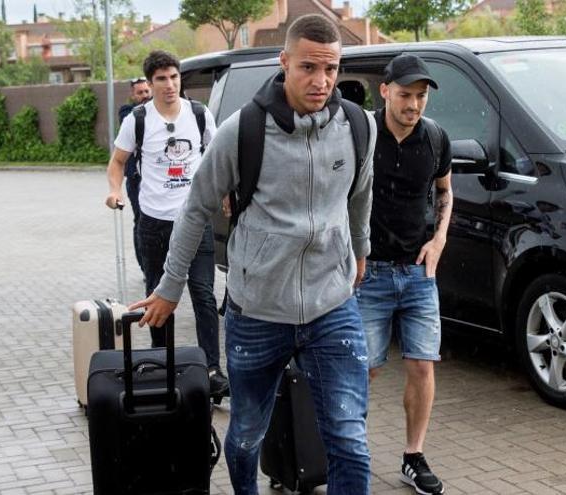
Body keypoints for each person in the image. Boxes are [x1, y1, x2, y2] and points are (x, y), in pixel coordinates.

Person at [130, 15, 376, 495]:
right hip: (257, 311)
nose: (322, 81)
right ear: (284, 62)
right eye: (308, 67)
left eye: (331, 69)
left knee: (349, 438)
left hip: (332, 306)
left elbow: (361, 195)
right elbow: (196, 208)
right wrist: (168, 287)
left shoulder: (357, 127)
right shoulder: (242, 131)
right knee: (245, 435)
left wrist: (361, 250)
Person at [105, 51, 228, 398]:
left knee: (203, 294)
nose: (170, 84)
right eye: (161, 79)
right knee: (158, 296)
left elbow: (218, 158)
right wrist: (115, 191)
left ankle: (212, 368)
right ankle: (164, 362)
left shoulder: (200, 115)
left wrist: (226, 193)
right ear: (150, 83)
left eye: (174, 77)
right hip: (154, 222)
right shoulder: (138, 120)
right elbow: (117, 162)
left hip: (195, 219)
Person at [357, 54, 453, 495]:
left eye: (421, 96)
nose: (414, 105)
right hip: (369, 275)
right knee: (364, 370)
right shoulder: (363, 134)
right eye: (405, 95)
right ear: (385, 91)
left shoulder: (435, 138)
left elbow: (446, 193)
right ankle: (349, 453)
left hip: (418, 275)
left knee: (422, 365)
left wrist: (438, 241)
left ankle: (413, 457)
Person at [118, 77, 152, 273]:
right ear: (133, 95)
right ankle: (145, 266)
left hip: (153, 178)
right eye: (140, 93)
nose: (144, 96)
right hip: (135, 181)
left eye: (147, 92)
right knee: (141, 220)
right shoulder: (127, 113)